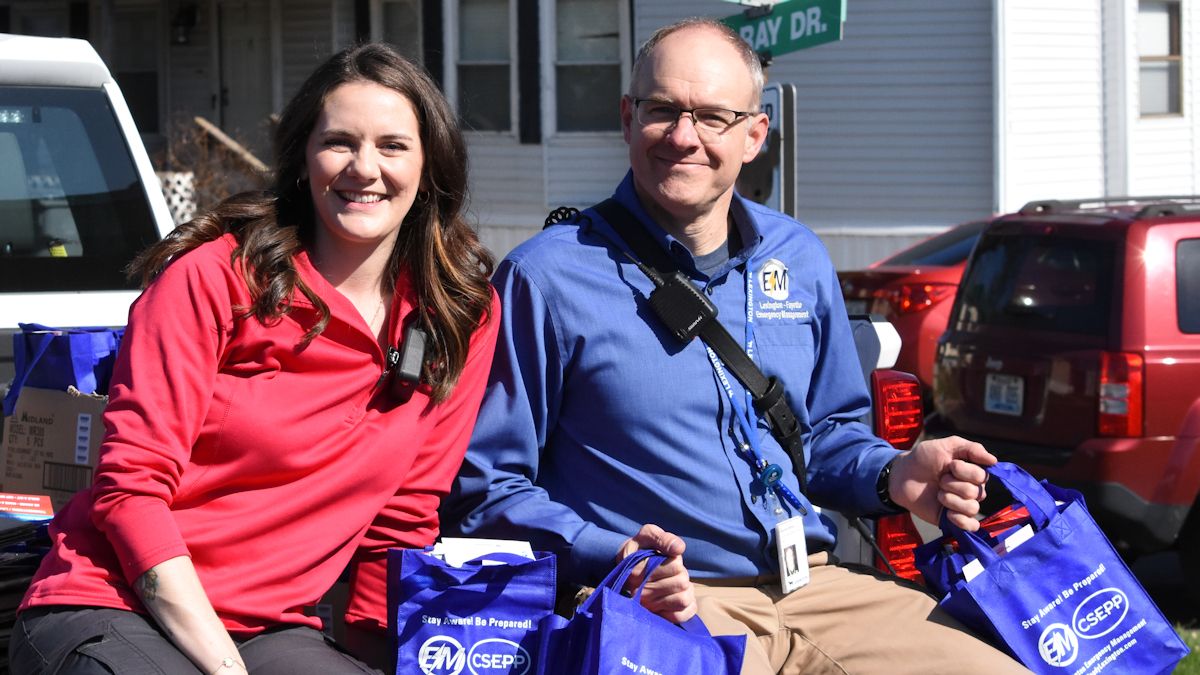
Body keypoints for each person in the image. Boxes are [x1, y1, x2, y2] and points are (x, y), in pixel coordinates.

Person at [444, 18, 1029, 674]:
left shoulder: (798, 257)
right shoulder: (546, 276)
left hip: (818, 587)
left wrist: (893, 474)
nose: (684, 136)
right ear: (627, 118)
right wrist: (608, 551)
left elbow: (828, 437)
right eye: (663, 110)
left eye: (712, 117)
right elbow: (485, 485)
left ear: (755, 134)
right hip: (665, 601)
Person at [9, 43, 499, 675]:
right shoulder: (214, 281)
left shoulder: (458, 313)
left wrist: (384, 659)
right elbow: (130, 491)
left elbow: (403, 519)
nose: (364, 167)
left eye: (393, 146)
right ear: (302, 157)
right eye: (339, 142)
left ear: (431, 165)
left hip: (270, 628)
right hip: (113, 603)